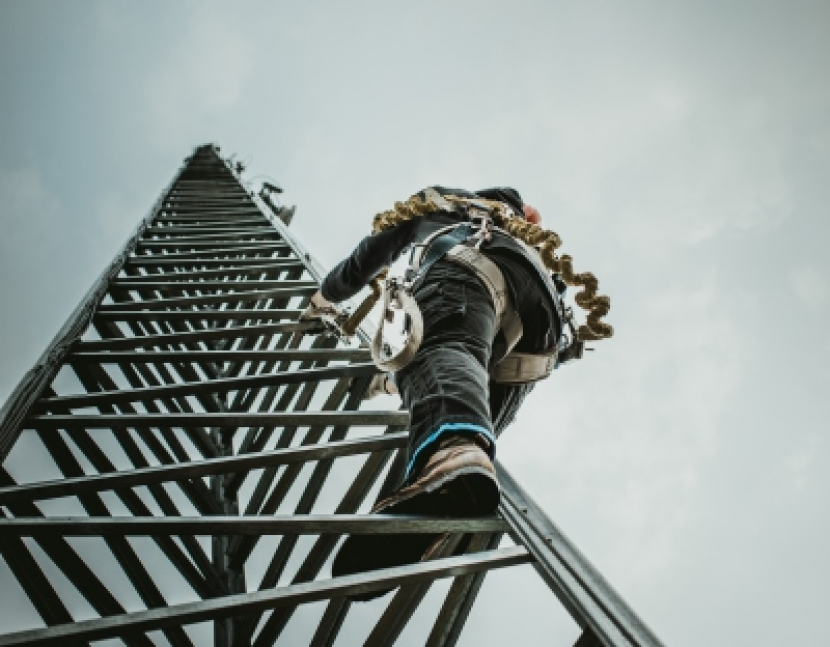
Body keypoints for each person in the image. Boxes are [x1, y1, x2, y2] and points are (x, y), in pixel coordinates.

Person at [302, 186, 580, 591]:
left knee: (439, 357)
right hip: (540, 335)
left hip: (471, 270)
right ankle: (430, 502)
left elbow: (369, 256)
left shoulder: (446, 206)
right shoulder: (527, 241)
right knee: (448, 420)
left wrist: (323, 300)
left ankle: (450, 472)